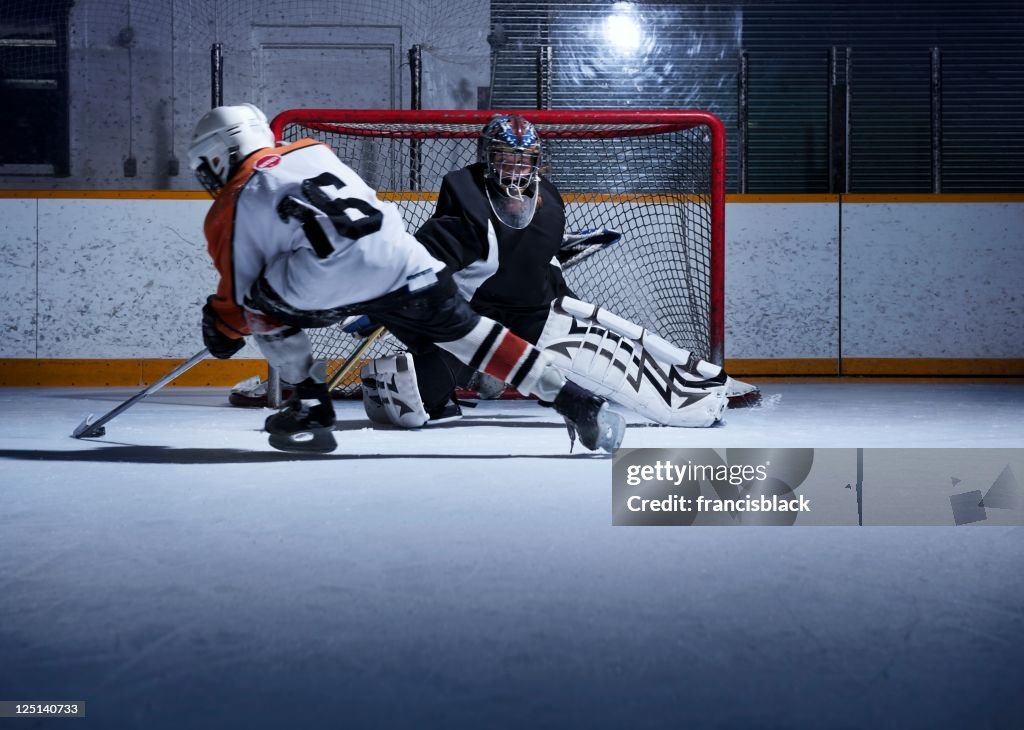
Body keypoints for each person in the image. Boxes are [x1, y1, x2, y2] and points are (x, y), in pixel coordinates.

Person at [187, 103, 626, 454]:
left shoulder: (230, 206)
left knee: (258, 305)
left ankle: (309, 405)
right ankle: (575, 401)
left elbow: (236, 304)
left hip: (331, 279)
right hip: (405, 261)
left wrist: (221, 329)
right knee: (474, 335)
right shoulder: (313, 149)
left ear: (219, 155)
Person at [356, 113, 757, 431]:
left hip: (536, 316)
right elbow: (428, 265)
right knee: (415, 400)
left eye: (523, 159)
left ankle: (701, 384)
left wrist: (562, 287)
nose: (514, 167)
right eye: (504, 157)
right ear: (486, 156)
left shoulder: (548, 198)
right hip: (475, 325)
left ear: (536, 162)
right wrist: (384, 303)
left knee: (619, 359)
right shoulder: (466, 199)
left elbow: (539, 256)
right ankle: (467, 378)